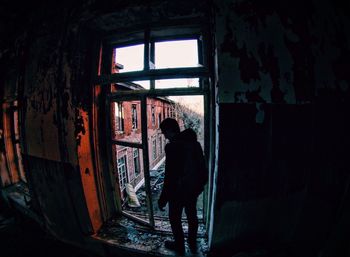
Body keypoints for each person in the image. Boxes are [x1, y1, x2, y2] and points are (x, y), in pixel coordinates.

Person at [158, 118, 208, 255]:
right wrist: (198, 187)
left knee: (174, 218)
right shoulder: (195, 143)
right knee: (192, 216)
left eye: (164, 132)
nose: (165, 136)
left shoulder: (172, 147)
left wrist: (163, 198)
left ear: (170, 130)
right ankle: (192, 242)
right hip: (192, 190)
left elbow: (170, 175)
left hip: (177, 192)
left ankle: (179, 246)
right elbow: (202, 168)